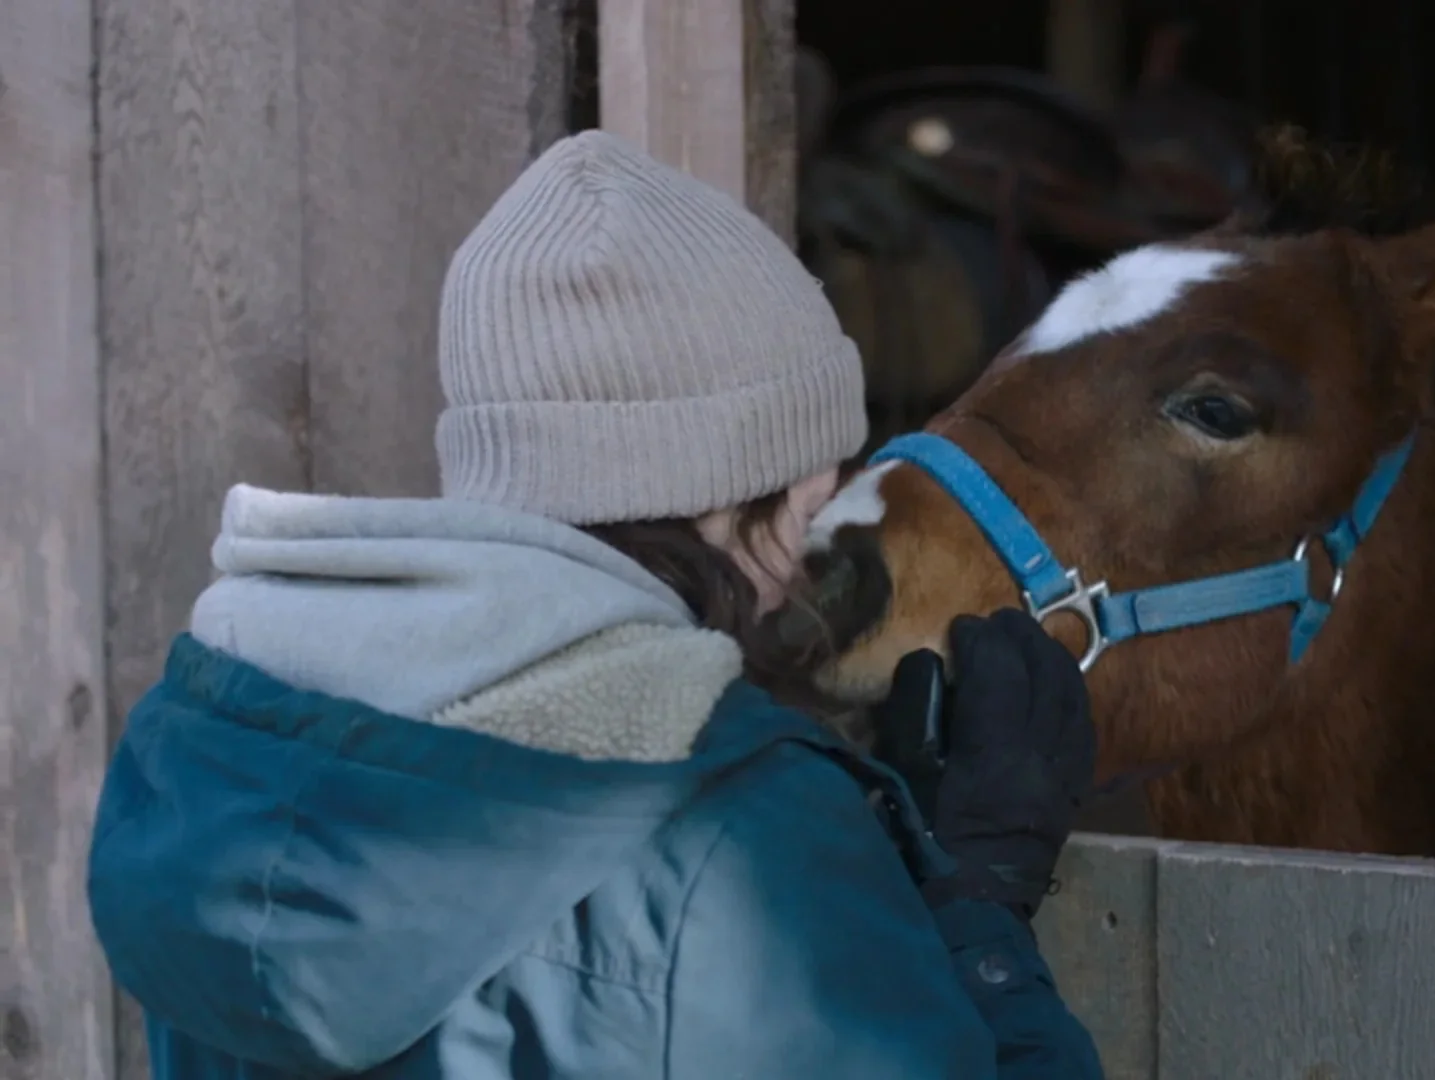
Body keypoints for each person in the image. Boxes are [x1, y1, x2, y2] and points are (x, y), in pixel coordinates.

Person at [87, 131, 1104, 1079]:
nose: (801, 553)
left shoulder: (214, 755)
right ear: (731, 483)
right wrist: (981, 906)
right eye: (808, 497)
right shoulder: (734, 830)